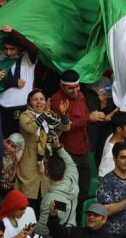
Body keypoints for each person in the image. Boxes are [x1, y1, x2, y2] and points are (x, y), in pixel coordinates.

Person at [48, 70, 94, 210]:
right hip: (67, 152)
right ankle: (62, 222)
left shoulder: (80, 96)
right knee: (67, 190)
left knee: (83, 189)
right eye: (71, 88)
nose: (75, 90)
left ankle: (79, 222)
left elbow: (85, 117)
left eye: (77, 86)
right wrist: (89, 118)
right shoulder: (57, 101)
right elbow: (66, 126)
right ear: (62, 86)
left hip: (84, 150)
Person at [18, 89, 70, 207]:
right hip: (29, 163)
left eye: (42, 99)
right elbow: (31, 129)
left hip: (46, 162)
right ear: (29, 102)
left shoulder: (50, 114)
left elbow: (65, 127)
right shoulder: (25, 115)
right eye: (35, 100)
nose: (39, 102)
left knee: (44, 199)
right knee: (28, 200)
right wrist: (44, 115)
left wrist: (62, 114)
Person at [34, 141, 79, 238]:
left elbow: (43, 229)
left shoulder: (50, 200)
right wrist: (59, 147)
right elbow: (71, 164)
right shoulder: (72, 179)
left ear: (46, 172)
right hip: (72, 233)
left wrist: (33, 228)